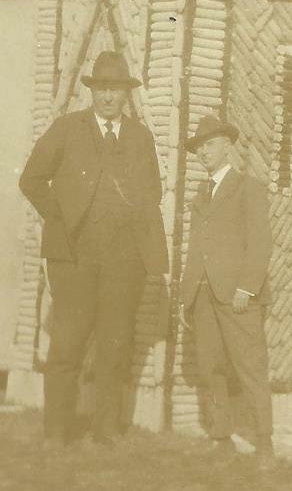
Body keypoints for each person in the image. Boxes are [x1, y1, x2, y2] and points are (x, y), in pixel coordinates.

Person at [19, 51, 168, 448]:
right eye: (102, 88)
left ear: (126, 94)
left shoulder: (140, 137)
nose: (108, 97)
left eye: (115, 89)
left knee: (115, 345)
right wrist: (60, 217)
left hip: (123, 261)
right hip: (75, 258)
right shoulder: (68, 129)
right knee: (67, 343)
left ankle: (105, 429)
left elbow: (152, 192)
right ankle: (56, 431)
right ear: (92, 91)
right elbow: (32, 179)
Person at [179, 114, 275, 470]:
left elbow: (261, 244)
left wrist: (246, 289)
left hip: (237, 298)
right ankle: (221, 438)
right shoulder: (201, 194)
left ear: (227, 146)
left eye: (210, 145)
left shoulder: (248, 187)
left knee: (250, 367)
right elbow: (196, 248)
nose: (204, 152)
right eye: (199, 147)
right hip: (203, 298)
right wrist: (186, 298)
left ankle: (264, 443)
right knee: (210, 368)